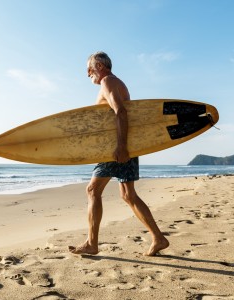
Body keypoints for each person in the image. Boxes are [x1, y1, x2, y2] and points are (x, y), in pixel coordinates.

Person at [68, 51, 169, 256]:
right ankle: (158, 238)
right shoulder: (116, 82)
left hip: (115, 148)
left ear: (99, 66)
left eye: (89, 69)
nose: (88, 74)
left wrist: (121, 146)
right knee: (128, 195)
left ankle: (91, 244)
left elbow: (120, 112)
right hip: (127, 146)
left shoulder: (108, 82)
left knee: (92, 191)